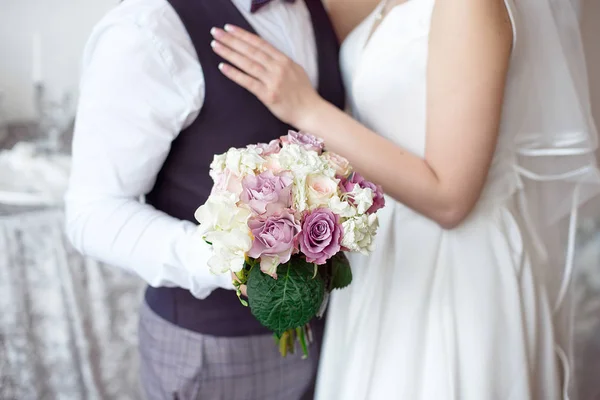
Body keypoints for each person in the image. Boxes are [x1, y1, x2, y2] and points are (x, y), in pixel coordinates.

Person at [210, 0, 600, 398]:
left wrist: (305, 108)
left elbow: (452, 199)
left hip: (453, 269)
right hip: (388, 258)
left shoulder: (470, 7)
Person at [65, 0, 345, 398]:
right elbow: (92, 212)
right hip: (211, 352)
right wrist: (236, 261)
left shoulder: (317, 11)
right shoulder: (148, 28)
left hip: (330, 342)